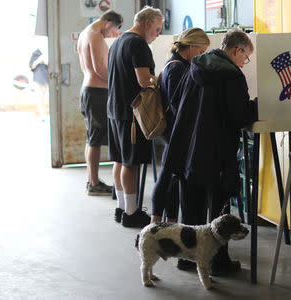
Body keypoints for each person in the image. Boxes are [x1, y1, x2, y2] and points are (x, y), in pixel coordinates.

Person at [162, 29, 258, 275]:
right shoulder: (232, 76)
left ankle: (186, 258)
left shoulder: (195, 66)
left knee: (191, 207)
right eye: (245, 58)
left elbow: (176, 100)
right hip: (217, 154)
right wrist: (257, 106)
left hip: (187, 150)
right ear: (238, 50)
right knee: (219, 212)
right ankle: (218, 262)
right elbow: (239, 116)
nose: (243, 64)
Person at [107, 6, 163, 228]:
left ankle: (122, 208)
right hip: (131, 112)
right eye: (157, 29)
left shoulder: (119, 41)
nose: (157, 35)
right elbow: (143, 80)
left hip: (115, 109)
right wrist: (160, 79)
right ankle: (131, 213)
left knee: (120, 160)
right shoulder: (138, 43)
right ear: (147, 23)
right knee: (131, 163)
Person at [151, 28, 210, 224]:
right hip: (176, 132)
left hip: (175, 131)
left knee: (171, 178)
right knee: (168, 178)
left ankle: (168, 223)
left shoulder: (176, 64)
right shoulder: (177, 68)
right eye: (201, 52)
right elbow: (179, 105)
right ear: (191, 47)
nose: (201, 57)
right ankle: (157, 223)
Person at [77, 10, 123, 196]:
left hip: (90, 90)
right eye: (114, 30)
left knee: (92, 139)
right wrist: (115, 84)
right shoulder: (95, 35)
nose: (112, 34)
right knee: (95, 140)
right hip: (96, 92)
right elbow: (99, 68)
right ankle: (94, 184)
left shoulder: (84, 34)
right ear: (107, 23)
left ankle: (92, 181)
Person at [29, 49, 49, 118]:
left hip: (46, 80)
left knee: (46, 97)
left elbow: (49, 66)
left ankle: (45, 112)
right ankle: (42, 113)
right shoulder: (34, 58)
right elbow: (32, 66)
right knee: (40, 97)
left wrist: (44, 61)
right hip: (38, 80)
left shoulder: (44, 58)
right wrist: (37, 61)